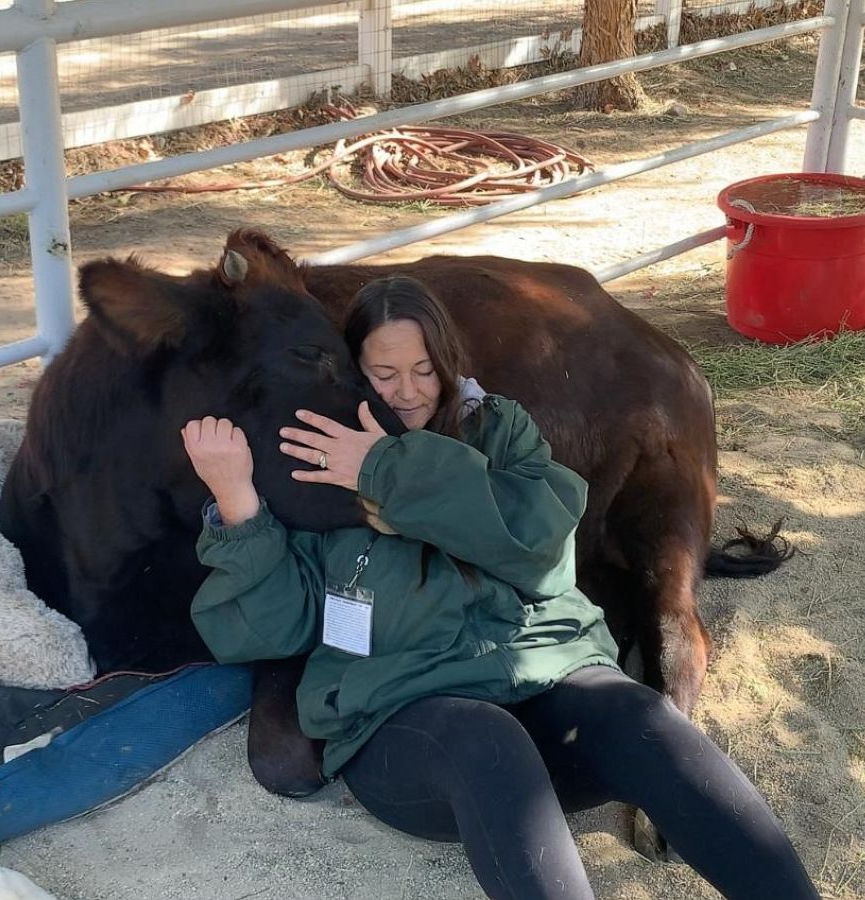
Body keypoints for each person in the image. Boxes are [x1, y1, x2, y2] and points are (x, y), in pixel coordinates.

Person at [180, 275, 819, 900]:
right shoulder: (311, 465)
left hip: (550, 678)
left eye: (424, 370)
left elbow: (539, 551)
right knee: (486, 740)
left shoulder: (501, 434)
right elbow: (272, 628)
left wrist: (386, 471)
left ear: (448, 364)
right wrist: (238, 504)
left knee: (643, 714)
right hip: (411, 727)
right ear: (352, 371)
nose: (407, 393)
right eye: (383, 373)